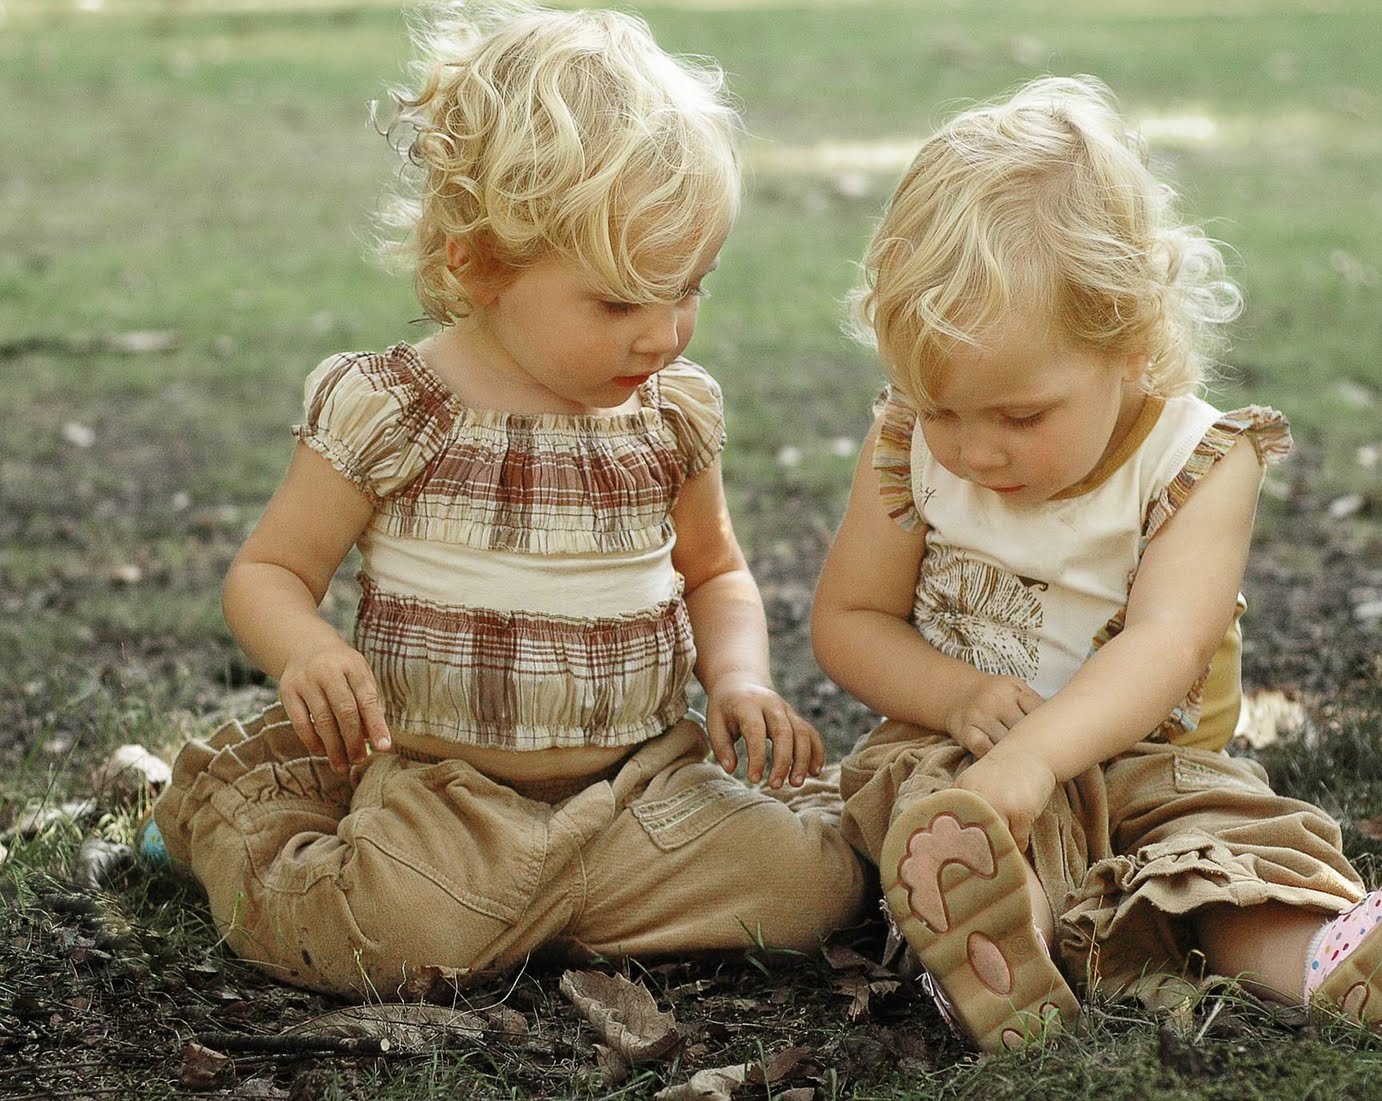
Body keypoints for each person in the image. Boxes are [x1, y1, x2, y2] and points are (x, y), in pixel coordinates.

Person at [811, 76, 1382, 1052]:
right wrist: (958, 701)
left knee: (1227, 856)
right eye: (940, 408)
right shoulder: (907, 441)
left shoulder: (1200, 461)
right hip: (966, 756)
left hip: (1160, 763)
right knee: (957, 827)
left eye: (1017, 416)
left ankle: (1333, 963)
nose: (973, 450)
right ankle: (995, 958)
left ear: (1126, 340)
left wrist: (1045, 754)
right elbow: (849, 620)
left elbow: (1167, 645)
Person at [151, 3, 867, 1000]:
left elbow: (716, 570)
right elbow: (269, 573)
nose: (664, 335)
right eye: (620, 302)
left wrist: (740, 678)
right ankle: (233, 808)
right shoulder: (395, 410)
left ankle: (553, 906)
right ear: (479, 265)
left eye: (689, 288)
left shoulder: (670, 416)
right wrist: (308, 650)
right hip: (450, 794)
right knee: (384, 938)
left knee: (814, 887)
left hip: (640, 786)